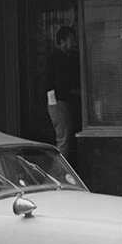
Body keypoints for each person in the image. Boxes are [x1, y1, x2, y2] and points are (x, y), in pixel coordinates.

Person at [44, 26, 81, 162]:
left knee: (64, 138)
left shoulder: (64, 57)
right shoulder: (57, 58)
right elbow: (60, 84)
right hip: (59, 102)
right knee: (64, 139)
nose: (74, 43)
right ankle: (59, 172)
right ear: (63, 41)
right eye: (71, 39)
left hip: (58, 102)